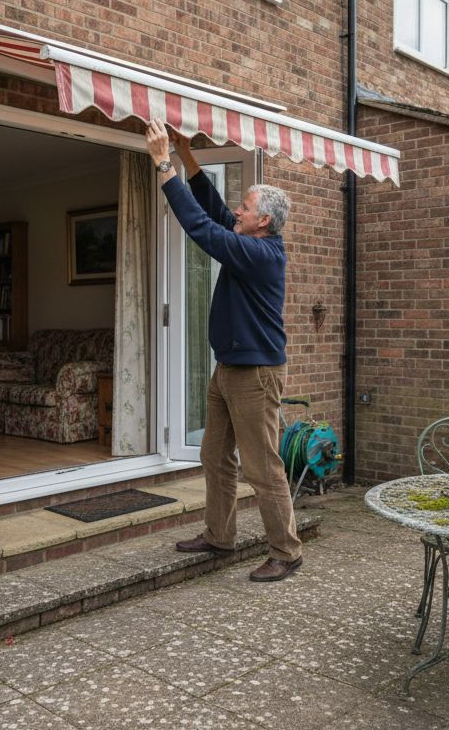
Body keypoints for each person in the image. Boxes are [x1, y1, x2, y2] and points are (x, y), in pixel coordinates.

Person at [144, 119, 303, 582]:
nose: (238, 209)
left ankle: (287, 552)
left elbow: (201, 227)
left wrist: (163, 164)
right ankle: (219, 535)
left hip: (256, 375)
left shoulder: (262, 255)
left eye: (245, 207)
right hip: (228, 369)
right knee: (214, 455)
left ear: (263, 221)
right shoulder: (248, 240)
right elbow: (214, 210)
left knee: (262, 467)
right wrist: (187, 155)